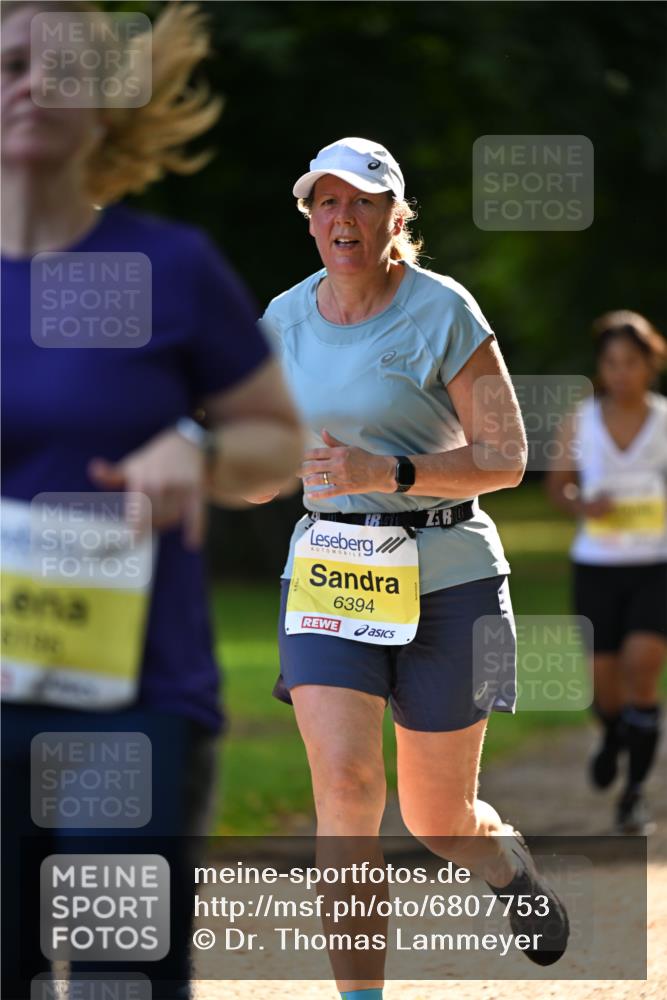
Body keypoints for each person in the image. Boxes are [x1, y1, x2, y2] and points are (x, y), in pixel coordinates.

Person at [1, 3, 303, 997]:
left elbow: (277, 443)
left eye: (61, 69)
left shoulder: (169, 268)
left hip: (131, 705)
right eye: (9, 64)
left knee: (117, 977)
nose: (32, 85)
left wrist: (198, 446)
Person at [252, 137, 570, 999]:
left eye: (360, 202)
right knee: (349, 792)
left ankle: (500, 858)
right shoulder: (280, 321)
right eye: (325, 202)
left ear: (397, 218)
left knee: (436, 820)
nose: (341, 218)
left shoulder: (443, 309)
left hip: (451, 570)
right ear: (309, 217)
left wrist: (383, 472)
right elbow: (254, 464)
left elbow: (507, 456)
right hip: (327, 574)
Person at [546, 310, 667, 834]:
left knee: (642, 668)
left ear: (650, 365)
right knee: (604, 685)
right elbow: (558, 486)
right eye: (612, 363)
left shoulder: (665, 420)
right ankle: (615, 734)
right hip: (596, 565)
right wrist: (580, 504)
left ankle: (634, 793)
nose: (621, 373)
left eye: (631, 362)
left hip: (655, 566)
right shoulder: (580, 420)